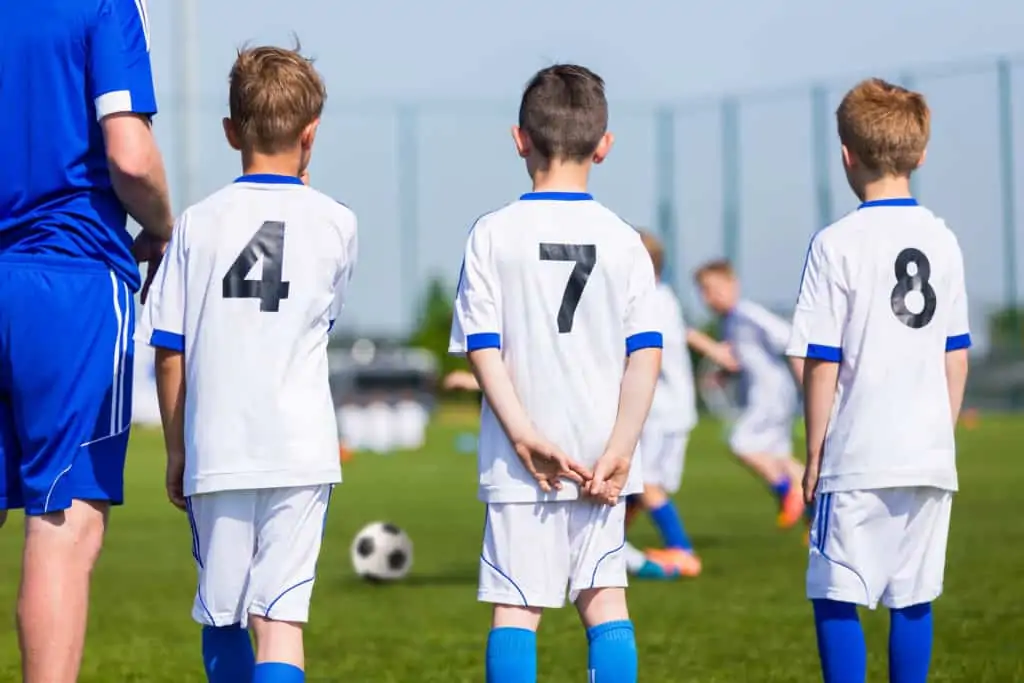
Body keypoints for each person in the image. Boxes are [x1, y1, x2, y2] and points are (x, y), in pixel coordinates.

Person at [141, 45, 358, 683]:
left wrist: (177, 449)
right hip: (300, 447)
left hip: (220, 447)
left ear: (230, 131)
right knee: (281, 621)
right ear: (311, 133)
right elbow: (322, 320)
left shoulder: (195, 225)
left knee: (224, 616)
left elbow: (170, 352)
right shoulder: (339, 223)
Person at [449, 64, 661, 683]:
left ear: (520, 139)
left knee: (516, 607)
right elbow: (645, 354)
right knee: (605, 603)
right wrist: (621, 448)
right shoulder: (624, 241)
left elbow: (482, 347)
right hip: (601, 459)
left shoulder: (492, 234)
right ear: (604, 144)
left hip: (523, 466)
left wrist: (521, 435)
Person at [0, 1, 173, 680]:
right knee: (62, 521)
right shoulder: (103, 4)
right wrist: (161, 223)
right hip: (68, 281)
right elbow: (129, 156)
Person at [787, 78, 969, 683]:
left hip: (858, 451)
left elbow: (822, 359)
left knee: (837, 592)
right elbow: (955, 356)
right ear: (921, 155)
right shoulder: (943, 241)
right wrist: (939, 437)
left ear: (846, 155)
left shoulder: (837, 243)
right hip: (927, 453)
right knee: (913, 595)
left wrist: (814, 451)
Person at [622, 230, 738, 580]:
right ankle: (609, 546)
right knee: (639, 488)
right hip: (676, 409)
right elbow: (683, 334)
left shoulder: (644, 302)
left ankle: (682, 550)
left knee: (642, 483)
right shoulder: (665, 297)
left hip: (656, 410)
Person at [694, 260, 810, 530]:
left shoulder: (748, 313)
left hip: (770, 395)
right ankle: (820, 513)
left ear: (733, 284)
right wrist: (724, 374)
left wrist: (808, 384)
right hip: (768, 395)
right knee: (778, 456)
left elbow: (789, 340)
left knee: (740, 442)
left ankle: (787, 493)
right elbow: (742, 359)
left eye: (713, 288)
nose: (709, 297)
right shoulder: (730, 322)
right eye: (703, 291)